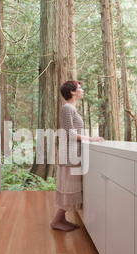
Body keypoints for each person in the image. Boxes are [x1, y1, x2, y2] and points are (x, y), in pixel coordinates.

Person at [51, 80, 104, 232]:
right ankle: (56, 221)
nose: (82, 89)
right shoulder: (67, 108)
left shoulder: (71, 108)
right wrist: (91, 139)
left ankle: (60, 219)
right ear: (72, 92)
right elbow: (70, 133)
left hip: (73, 154)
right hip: (69, 155)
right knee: (69, 187)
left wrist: (88, 137)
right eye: (79, 87)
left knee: (70, 187)